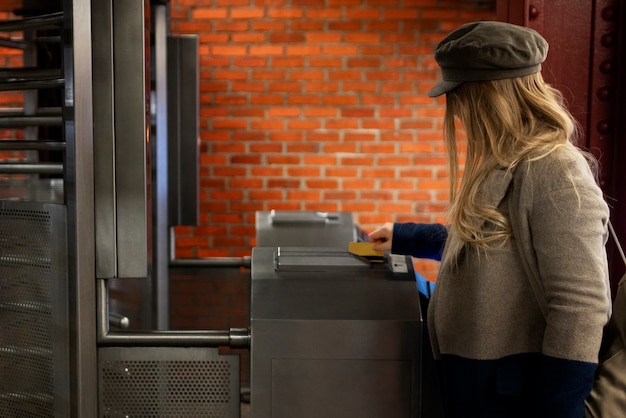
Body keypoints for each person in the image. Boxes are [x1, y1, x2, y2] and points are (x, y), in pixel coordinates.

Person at [369, 21, 611, 418]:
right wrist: (406, 236)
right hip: (478, 390)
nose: (458, 112)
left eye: (462, 97)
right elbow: (492, 244)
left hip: (514, 399)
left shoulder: (555, 170)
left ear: (489, 97)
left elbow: (580, 307)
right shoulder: (506, 160)